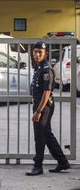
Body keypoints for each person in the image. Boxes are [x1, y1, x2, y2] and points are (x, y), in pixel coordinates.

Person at [26, 41, 71, 176]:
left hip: (44, 106)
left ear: (45, 53)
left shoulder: (46, 69)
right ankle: (63, 162)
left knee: (39, 136)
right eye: (35, 51)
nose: (37, 54)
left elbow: (46, 92)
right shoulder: (39, 67)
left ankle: (38, 166)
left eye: (40, 52)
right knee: (46, 134)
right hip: (40, 104)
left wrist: (38, 111)